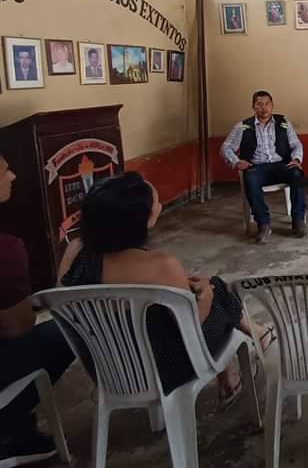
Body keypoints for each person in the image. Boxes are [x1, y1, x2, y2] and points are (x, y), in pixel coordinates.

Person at [58, 172, 274, 405]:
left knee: (210, 292)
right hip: (163, 369)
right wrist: (207, 296)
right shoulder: (161, 264)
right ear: (143, 220)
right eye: (156, 202)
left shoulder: (75, 251)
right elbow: (193, 324)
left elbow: (63, 306)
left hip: (107, 369)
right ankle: (254, 338)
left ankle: (243, 357)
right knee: (217, 290)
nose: (159, 206)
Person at [0, 154, 76, 464]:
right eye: (4, 170)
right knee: (69, 327)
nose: (13, 175)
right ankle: (10, 429)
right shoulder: (6, 249)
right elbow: (16, 327)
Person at [221, 90, 307, 243]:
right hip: (257, 167)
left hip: (281, 165)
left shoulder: (283, 122)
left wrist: (296, 159)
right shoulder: (243, 126)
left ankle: (298, 220)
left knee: (297, 174)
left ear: (272, 105)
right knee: (250, 180)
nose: (264, 108)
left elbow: (296, 144)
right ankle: (263, 224)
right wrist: (236, 162)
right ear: (253, 107)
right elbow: (225, 148)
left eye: (267, 104)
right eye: (259, 104)